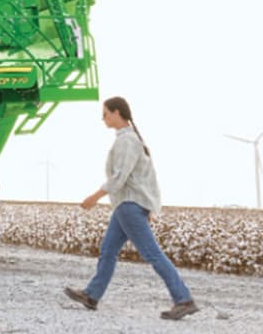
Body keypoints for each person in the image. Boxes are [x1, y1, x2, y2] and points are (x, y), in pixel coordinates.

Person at [64, 96, 199, 320]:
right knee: (108, 249)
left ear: (117, 113)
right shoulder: (130, 139)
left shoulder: (127, 141)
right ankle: (92, 295)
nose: (103, 118)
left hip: (129, 205)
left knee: (152, 253)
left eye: (105, 113)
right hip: (127, 206)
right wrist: (147, 206)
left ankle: (183, 299)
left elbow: (120, 177)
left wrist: (95, 197)